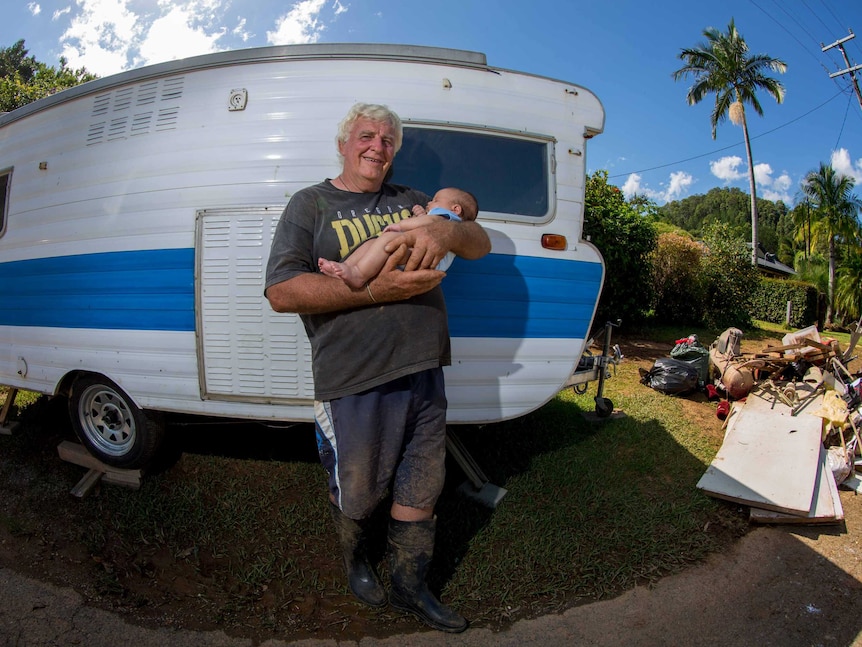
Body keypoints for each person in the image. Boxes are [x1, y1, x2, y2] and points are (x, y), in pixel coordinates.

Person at [264, 102, 491, 633]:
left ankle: (411, 587)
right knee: (360, 489)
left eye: (389, 140)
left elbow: (477, 242)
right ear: (344, 143)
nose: (378, 147)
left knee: (422, 484)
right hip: (354, 378)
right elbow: (281, 291)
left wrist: (444, 232)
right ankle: (357, 559)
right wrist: (372, 290)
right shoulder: (311, 203)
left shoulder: (414, 201)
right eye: (367, 136)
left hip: (424, 368)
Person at [316, 187, 479, 288]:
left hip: (427, 259)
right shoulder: (443, 218)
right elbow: (428, 223)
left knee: (389, 239)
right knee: (373, 242)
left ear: (455, 209)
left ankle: (358, 274)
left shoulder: (450, 219)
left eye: (436, 200)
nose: (430, 202)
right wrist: (422, 214)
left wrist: (400, 226)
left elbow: (430, 221)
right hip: (423, 255)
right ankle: (344, 267)